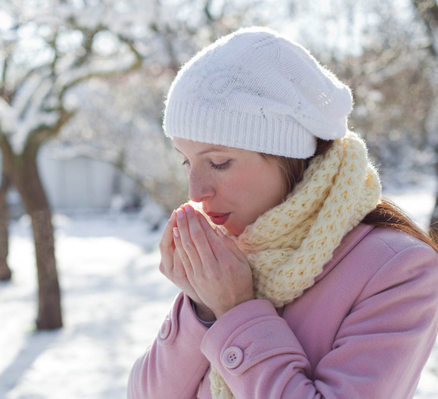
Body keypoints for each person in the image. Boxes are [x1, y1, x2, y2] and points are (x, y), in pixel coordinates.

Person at [128, 26, 438, 399]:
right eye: (186, 162)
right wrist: (201, 308)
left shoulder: (399, 270)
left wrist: (236, 310)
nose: (196, 192)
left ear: (288, 155)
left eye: (220, 162)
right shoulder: (238, 252)